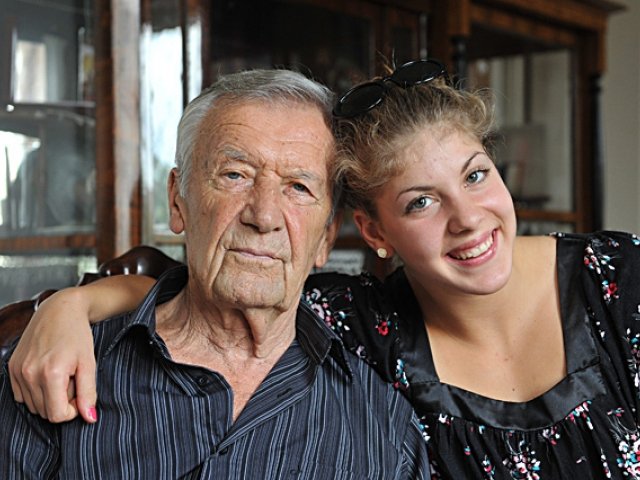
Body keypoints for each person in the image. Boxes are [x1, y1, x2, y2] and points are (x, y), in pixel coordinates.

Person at [9, 59, 640, 478]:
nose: (468, 219)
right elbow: (209, 281)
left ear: (324, 238)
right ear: (371, 233)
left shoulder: (617, 279)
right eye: (420, 202)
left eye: (476, 176)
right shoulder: (364, 326)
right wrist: (68, 305)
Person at [0, 69, 432, 479]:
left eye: (299, 187)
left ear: (326, 237)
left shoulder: (383, 428)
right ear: (178, 201)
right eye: (235, 175)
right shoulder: (52, 372)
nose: (263, 216)